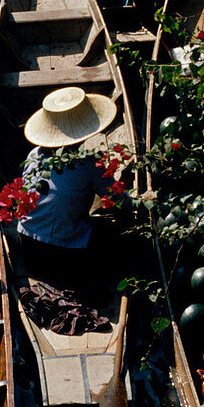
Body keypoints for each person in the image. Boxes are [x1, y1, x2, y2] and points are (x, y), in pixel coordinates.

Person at [16, 87, 124, 292]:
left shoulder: (33, 154)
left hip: (27, 242)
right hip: (62, 252)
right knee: (114, 230)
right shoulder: (89, 163)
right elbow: (118, 199)